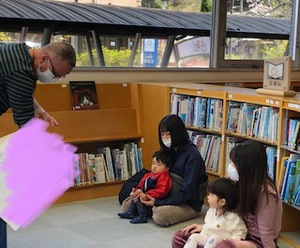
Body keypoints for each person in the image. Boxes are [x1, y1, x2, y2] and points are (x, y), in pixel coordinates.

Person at [0, 41, 76, 248]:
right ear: (43, 59)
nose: (54, 79)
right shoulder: (21, 72)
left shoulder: (17, 50)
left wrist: (39, 109)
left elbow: (18, 88)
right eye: (56, 74)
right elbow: (26, 127)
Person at [172, 141, 282, 248]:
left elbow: (266, 233)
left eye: (234, 163)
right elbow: (228, 216)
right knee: (180, 237)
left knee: (224, 245)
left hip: (256, 241)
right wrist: (206, 228)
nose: (230, 166)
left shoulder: (266, 194)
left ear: (246, 167)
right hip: (230, 232)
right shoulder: (240, 183)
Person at [120, 114, 208, 227]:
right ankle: (150, 207)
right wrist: (140, 191)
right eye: (162, 134)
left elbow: (186, 192)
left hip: (187, 202)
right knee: (126, 206)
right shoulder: (166, 150)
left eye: (168, 134)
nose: (165, 138)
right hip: (163, 194)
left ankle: (152, 208)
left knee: (160, 216)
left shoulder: (192, 156)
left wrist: (158, 202)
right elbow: (155, 175)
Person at [181, 178, 247, 248]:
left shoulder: (233, 218)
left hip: (223, 243)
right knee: (194, 237)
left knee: (214, 238)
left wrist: (232, 242)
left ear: (222, 202)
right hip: (208, 240)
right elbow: (207, 227)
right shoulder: (211, 211)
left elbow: (240, 232)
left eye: (211, 195)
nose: (208, 197)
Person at [118, 150, 173, 224]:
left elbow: (161, 190)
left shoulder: (164, 177)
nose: (154, 167)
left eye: (158, 165)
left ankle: (142, 216)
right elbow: (141, 182)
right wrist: (138, 189)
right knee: (137, 196)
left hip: (154, 198)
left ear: (167, 168)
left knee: (140, 199)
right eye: (153, 163)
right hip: (145, 194)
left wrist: (147, 195)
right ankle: (130, 212)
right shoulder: (149, 174)